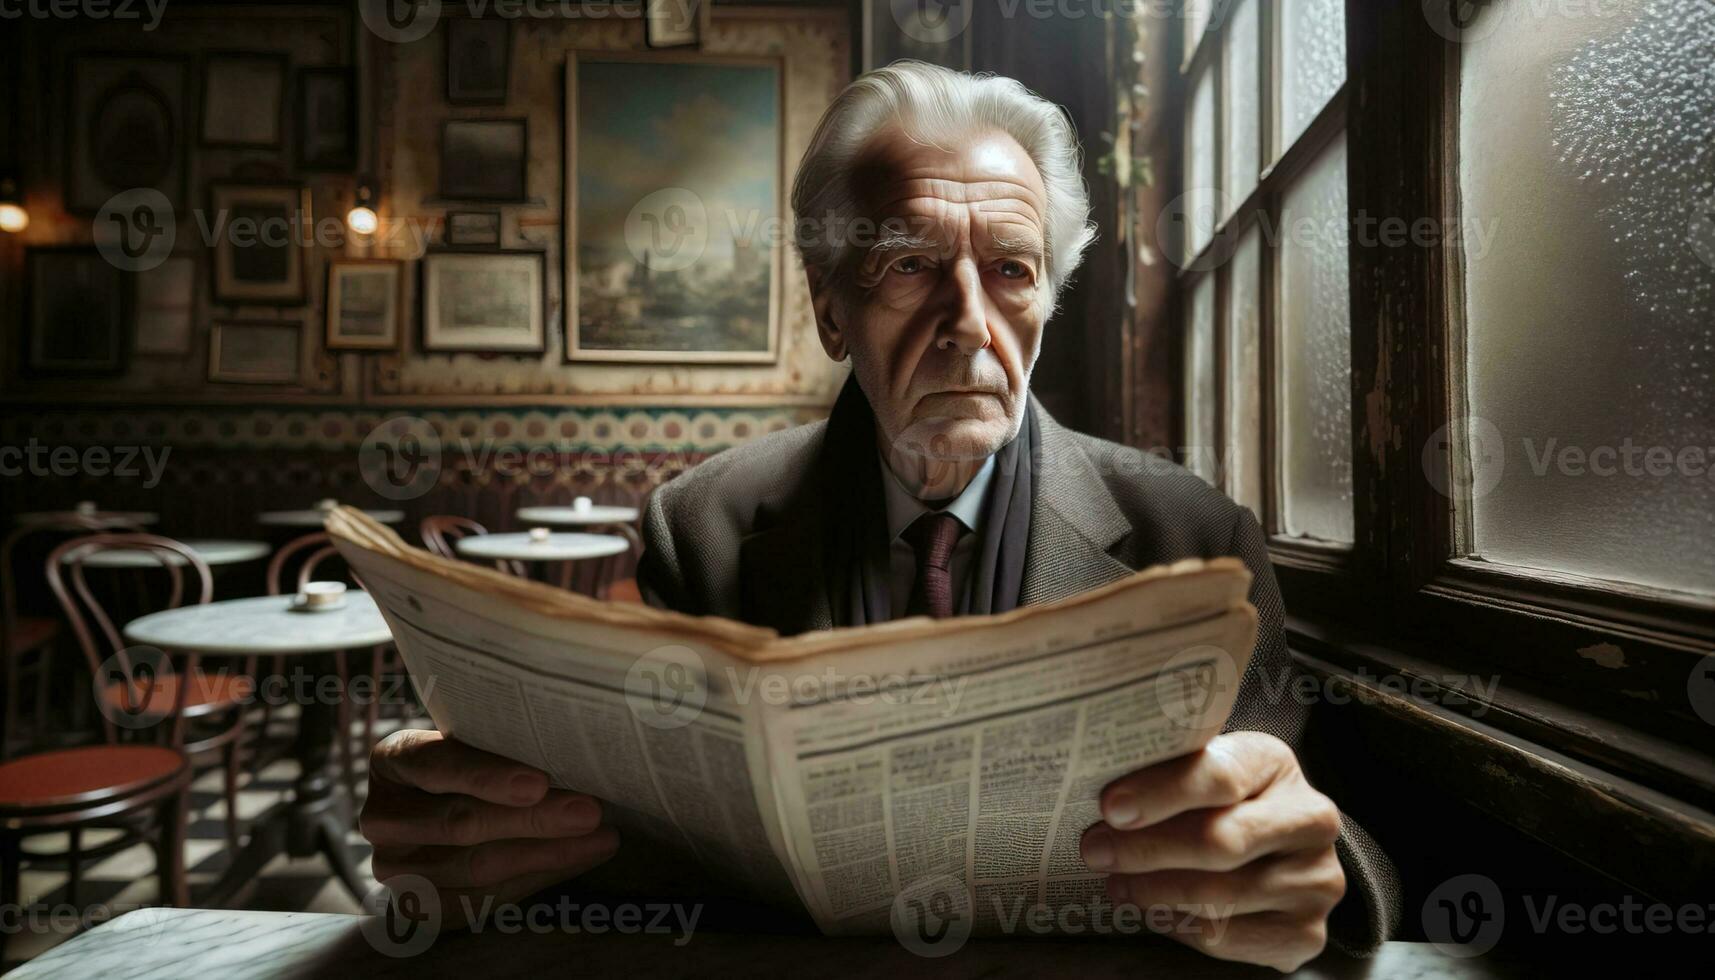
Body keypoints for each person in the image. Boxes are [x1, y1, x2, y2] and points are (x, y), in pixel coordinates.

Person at [361, 61, 1399, 971]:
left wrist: (1316, 874)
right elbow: (655, 860)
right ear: (828, 308)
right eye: (908, 266)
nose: (967, 324)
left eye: (1009, 270)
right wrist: (493, 840)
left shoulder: (1194, 536)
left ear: (1046, 295)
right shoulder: (700, 525)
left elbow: (1306, 830)